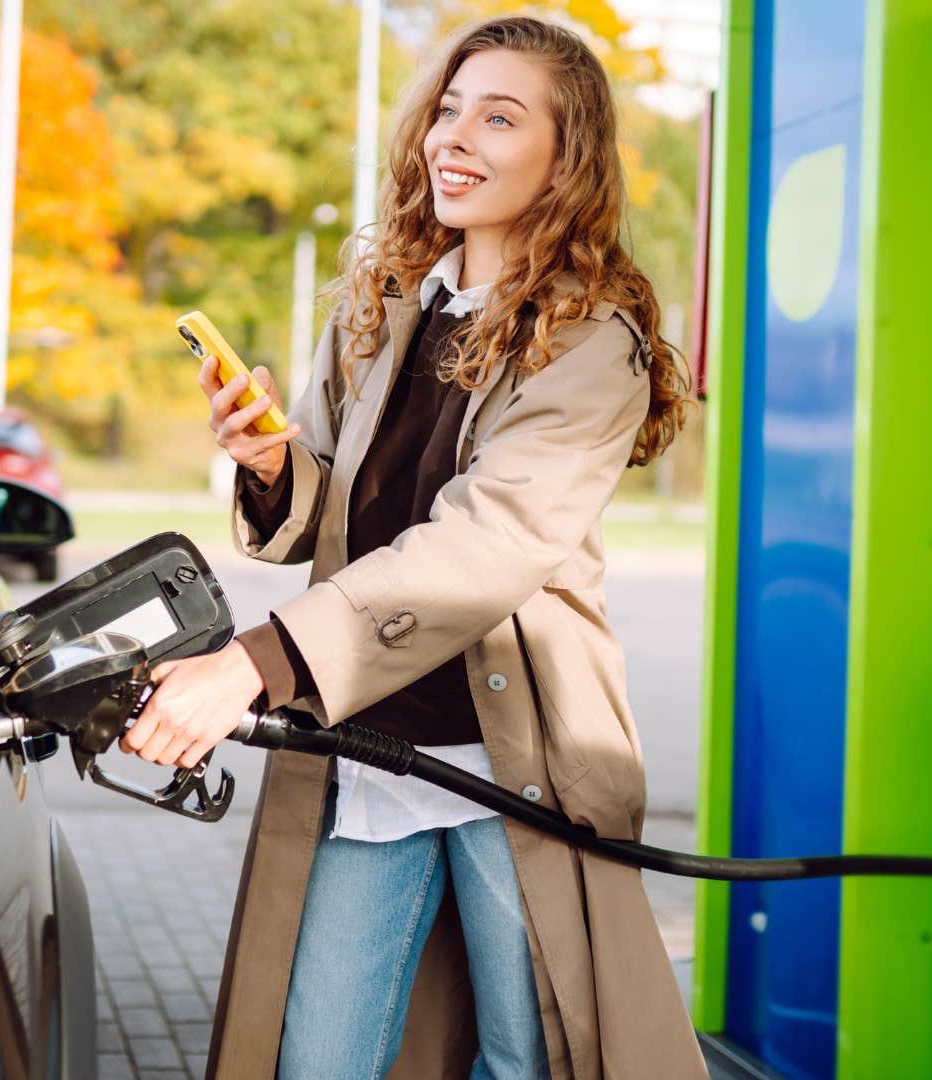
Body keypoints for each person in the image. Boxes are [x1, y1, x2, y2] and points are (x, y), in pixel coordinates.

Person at [120, 16, 704, 1079]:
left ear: (566, 159)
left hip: (510, 767)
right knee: (319, 1059)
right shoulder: (383, 303)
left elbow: (483, 546)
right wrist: (268, 465)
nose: (454, 136)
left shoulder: (592, 342)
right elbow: (329, 512)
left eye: (498, 116)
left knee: (533, 1061)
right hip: (370, 749)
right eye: (447, 108)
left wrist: (253, 664)